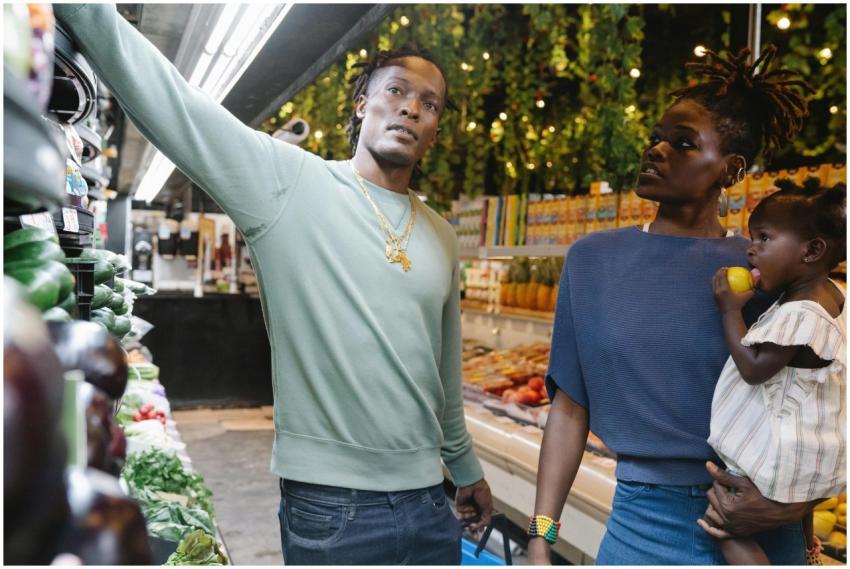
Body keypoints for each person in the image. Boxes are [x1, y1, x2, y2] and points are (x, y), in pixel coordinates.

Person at [53, 5, 492, 565]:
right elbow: (176, 105)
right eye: (397, 91)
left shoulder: (442, 236)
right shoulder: (289, 184)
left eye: (429, 104)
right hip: (333, 509)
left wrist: (466, 466)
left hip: (431, 502)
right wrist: (85, 11)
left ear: (435, 128)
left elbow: (443, 371)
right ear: (362, 105)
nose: (411, 107)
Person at [528, 45, 817, 565]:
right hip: (641, 525)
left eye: (683, 144)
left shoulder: (766, 272)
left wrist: (799, 505)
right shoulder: (592, 261)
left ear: (731, 171)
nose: (657, 150)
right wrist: (540, 533)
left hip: (760, 526)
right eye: (655, 138)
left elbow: (821, 404)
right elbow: (569, 408)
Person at [703, 177, 846, 565]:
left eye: (764, 238)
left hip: (775, 451)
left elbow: (753, 369)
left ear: (811, 250)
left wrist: (730, 310)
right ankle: (804, 545)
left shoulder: (799, 313)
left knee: (722, 524)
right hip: (808, 451)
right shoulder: (831, 295)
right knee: (792, 494)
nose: (751, 249)